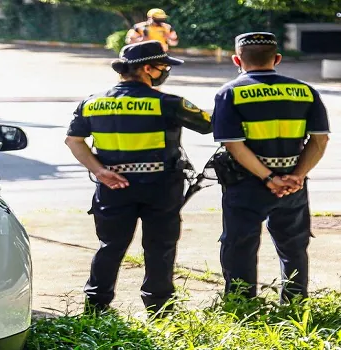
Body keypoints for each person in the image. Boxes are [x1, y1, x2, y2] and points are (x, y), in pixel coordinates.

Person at [64, 40, 212, 316]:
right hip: (161, 188)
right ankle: (160, 309)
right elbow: (209, 124)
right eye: (164, 66)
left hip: (112, 187)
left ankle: (95, 306)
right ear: (148, 68)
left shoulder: (92, 103)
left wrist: (100, 171)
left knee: (110, 246)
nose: (167, 70)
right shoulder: (168, 103)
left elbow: (74, 140)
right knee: (160, 247)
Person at [211, 32, 330, 302]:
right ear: (277, 59)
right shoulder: (305, 91)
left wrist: (268, 178)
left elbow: (234, 145)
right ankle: (295, 302)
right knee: (294, 246)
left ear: (236, 60)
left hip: (246, 184)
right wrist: (296, 176)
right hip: (293, 185)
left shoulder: (230, 93)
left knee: (240, 245)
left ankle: (241, 304)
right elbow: (320, 140)